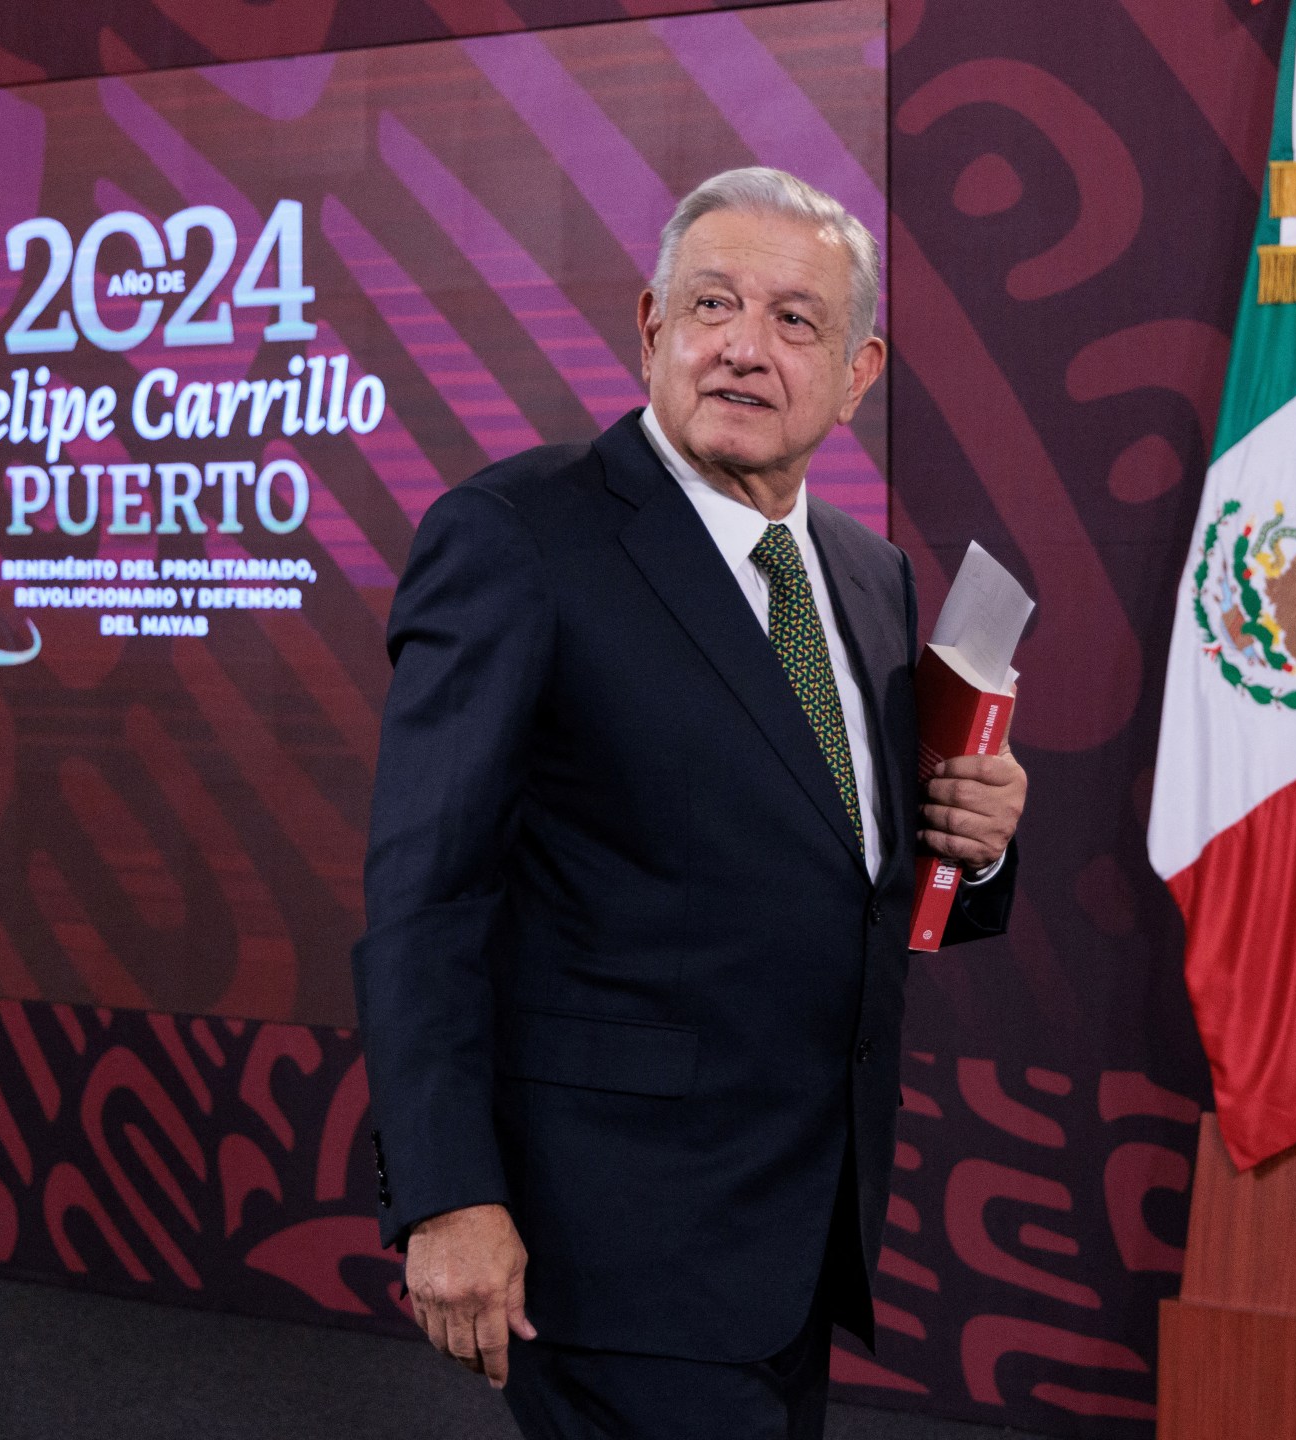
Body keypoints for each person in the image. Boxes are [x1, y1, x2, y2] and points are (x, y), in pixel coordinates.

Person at [354, 167, 1027, 1437]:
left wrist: (975, 845)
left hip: (797, 1230)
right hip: (612, 1236)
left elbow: (851, 879)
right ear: (652, 327)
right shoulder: (518, 537)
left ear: (858, 373)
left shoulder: (871, 577)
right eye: (713, 304)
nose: (743, 347)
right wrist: (444, 1194)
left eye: (793, 319)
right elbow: (423, 901)